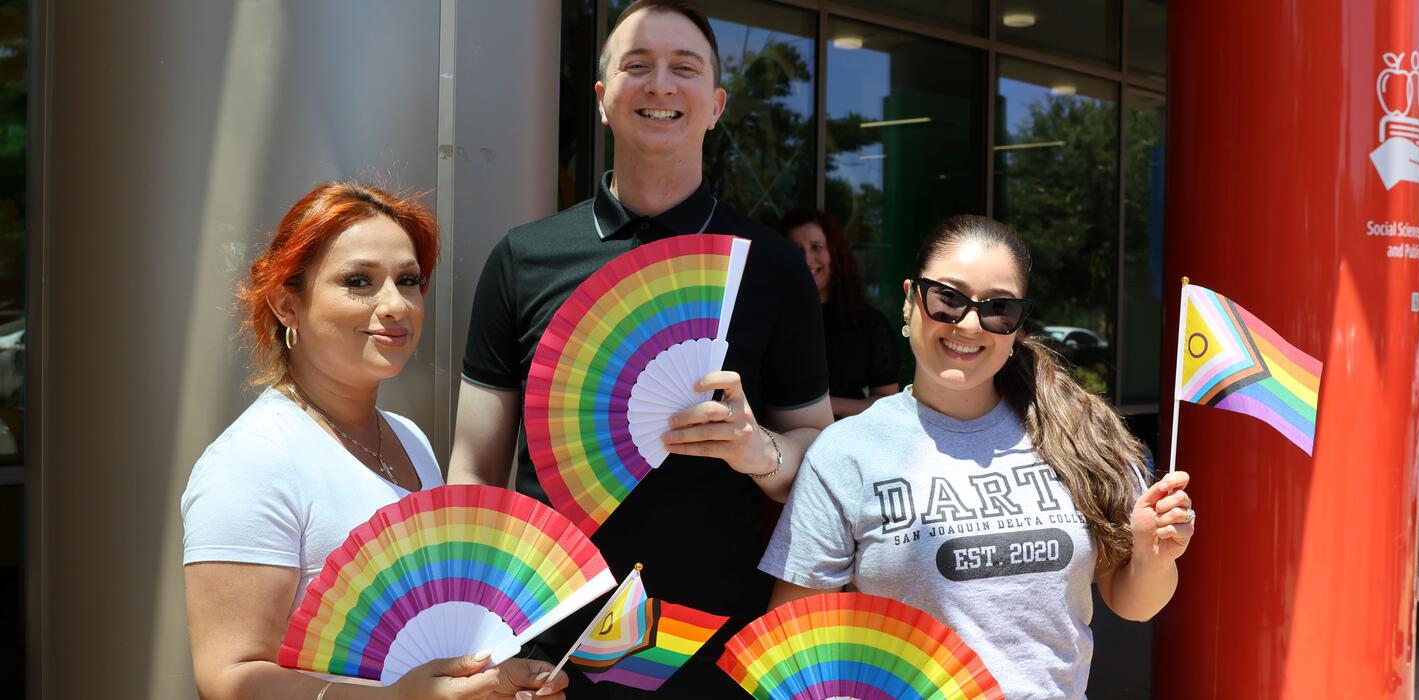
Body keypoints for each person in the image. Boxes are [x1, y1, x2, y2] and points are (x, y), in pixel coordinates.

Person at [449, 1, 832, 696]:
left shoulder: (771, 267)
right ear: (602, 100)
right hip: (547, 650)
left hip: (715, 649)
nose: (661, 84)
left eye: (684, 69)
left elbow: (819, 453)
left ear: (716, 105)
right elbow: (475, 469)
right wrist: (478, 637)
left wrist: (760, 451)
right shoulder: (523, 259)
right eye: (637, 66)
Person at [761, 215, 1196, 697]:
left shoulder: (1077, 437)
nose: (969, 323)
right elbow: (792, 644)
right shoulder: (847, 453)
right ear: (910, 301)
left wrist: (1155, 559)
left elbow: (1134, 604)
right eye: (947, 298)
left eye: (998, 308)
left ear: (1016, 325)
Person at [182, 182, 568, 700]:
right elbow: (228, 678)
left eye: (409, 281)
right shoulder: (252, 461)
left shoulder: (408, 439)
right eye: (359, 281)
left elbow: (431, 658)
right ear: (285, 305)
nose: (396, 305)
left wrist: (493, 682)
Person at [781, 207, 899, 418]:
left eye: (816, 247)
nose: (807, 259)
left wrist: (825, 405)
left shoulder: (868, 324)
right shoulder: (774, 320)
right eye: (795, 249)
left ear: (835, 254)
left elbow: (888, 402)